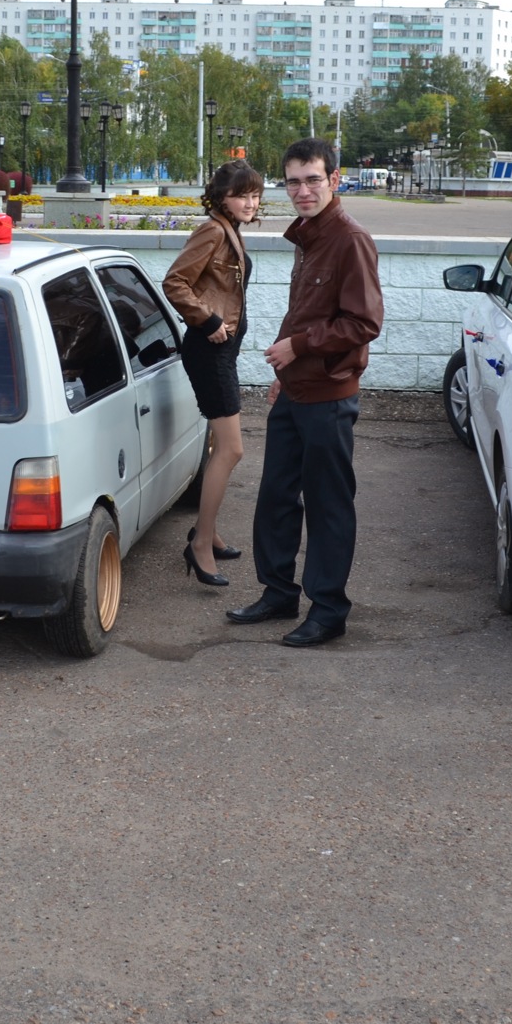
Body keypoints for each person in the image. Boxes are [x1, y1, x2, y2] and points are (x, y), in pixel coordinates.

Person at [227, 138, 383, 647]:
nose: (302, 190)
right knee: (275, 496)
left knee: (327, 503)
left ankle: (328, 609)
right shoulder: (311, 236)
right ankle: (278, 593)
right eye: (293, 181)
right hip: (296, 389)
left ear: (334, 180)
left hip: (330, 394)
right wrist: (285, 368)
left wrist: (298, 347)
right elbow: (308, 312)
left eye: (313, 179)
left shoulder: (349, 238)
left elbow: (362, 322)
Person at [161, 160, 265, 587]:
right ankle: (200, 543)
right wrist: (207, 322)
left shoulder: (230, 230)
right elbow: (175, 283)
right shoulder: (213, 230)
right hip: (209, 350)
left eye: (256, 195)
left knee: (218, 448)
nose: (250, 202)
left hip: (223, 349)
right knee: (231, 449)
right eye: (242, 195)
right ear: (222, 197)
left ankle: (210, 530)